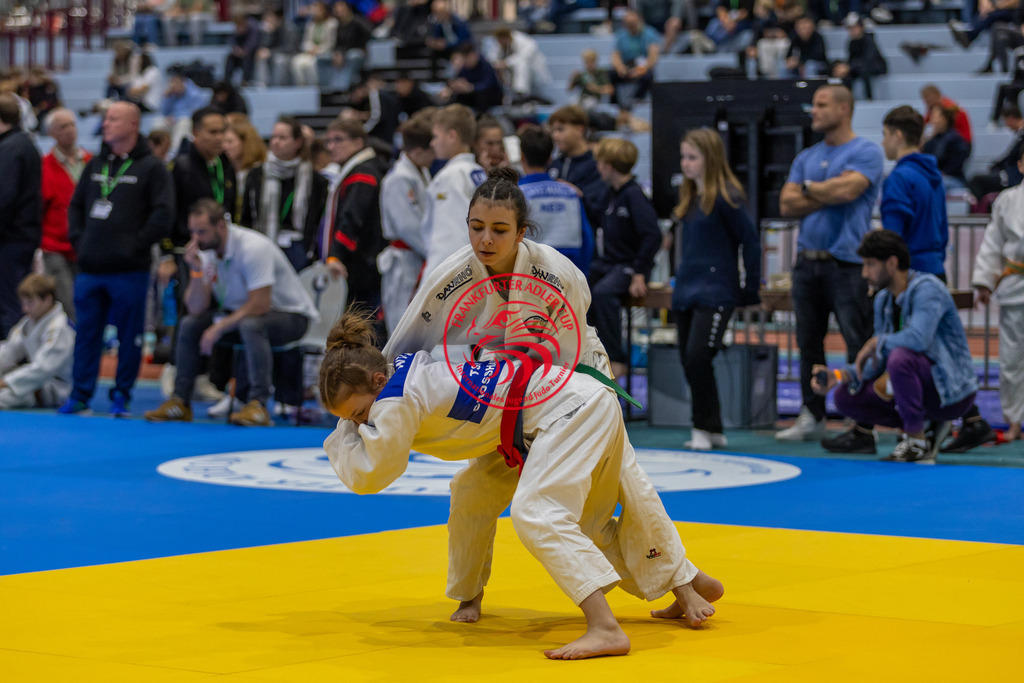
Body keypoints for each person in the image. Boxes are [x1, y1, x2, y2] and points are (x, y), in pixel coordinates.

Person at [383, 167, 714, 637]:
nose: (485, 239)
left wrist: (518, 419)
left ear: (522, 231)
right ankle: (469, 591)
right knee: (472, 491)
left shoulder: (554, 273)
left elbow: (563, 355)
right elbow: (409, 338)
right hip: (501, 403)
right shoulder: (454, 276)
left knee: (617, 484)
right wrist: (374, 392)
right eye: (476, 227)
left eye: (499, 230)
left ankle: (683, 585)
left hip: (571, 387)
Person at [320, 311, 724, 660]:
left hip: (564, 411)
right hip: (547, 413)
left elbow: (374, 473)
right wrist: (351, 418)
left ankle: (606, 627)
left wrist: (339, 438)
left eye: (357, 414)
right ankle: (682, 581)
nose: (358, 424)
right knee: (476, 493)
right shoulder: (414, 361)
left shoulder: (394, 400)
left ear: (377, 380)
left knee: (538, 512)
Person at [144, 199, 319, 426]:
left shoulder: (253, 247)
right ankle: (180, 402)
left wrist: (218, 328)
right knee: (190, 324)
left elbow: (260, 305)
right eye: (193, 232)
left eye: (202, 232)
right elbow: (197, 307)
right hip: (242, 314)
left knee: (251, 324)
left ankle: (257, 405)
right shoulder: (205, 251)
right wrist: (196, 272)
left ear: (221, 226)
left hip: (291, 317)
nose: (196, 239)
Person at [811, 230, 979, 462]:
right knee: (845, 397)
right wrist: (840, 375)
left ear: (892, 263)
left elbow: (918, 340)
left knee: (900, 359)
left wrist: (878, 342)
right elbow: (876, 361)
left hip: (951, 392)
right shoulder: (883, 300)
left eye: (870, 264)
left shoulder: (928, 289)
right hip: (922, 385)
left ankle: (916, 442)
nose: (864, 273)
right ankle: (928, 427)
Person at [777, 84, 884, 449]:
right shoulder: (807, 155)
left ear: (844, 108)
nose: (814, 111)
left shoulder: (866, 151)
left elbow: (847, 192)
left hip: (848, 265)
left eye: (822, 105)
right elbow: (786, 205)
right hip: (808, 263)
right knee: (808, 344)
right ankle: (814, 414)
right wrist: (825, 189)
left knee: (858, 343)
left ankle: (860, 418)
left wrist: (808, 190)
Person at [60, 102, 172, 416]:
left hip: (129, 270)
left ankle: (122, 395)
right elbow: (76, 207)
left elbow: (163, 214)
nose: (106, 123)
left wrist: (136, 245)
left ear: (133, 125)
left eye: (113, 118)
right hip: (91, 267)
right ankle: (80, 395)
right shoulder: (96, 163)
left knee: (130, 337)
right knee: (86, 335)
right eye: (106, 118)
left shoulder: (152, 167)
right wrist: (80, 243)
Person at [671, 129, 761, 451]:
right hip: (687, 289)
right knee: (689, 359)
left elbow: (750, 242)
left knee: (698, 357)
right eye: (684, 157)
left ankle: (702, 425)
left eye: (693, 158)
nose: (686, 164)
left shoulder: (727, 197)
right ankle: (712, 426)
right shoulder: (690, 198)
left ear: (710, 159)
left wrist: (750, 288)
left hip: (716, 290)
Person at [588, 137, 662, 379]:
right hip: (609, 264)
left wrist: (640, 271)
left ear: (608, 165)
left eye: (599, 162)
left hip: (629, 265)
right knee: (580, 287)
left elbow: (653, 235)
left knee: (603, 293)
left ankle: (617, 357)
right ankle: (587, 351)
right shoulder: (611, 194)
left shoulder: (633, 196)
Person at [972, 146, 1024, 443]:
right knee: (1012, 361)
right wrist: (983, 282)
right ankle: (1014, 421)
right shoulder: (1007, 201)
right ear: (1020, 164)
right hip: (1016, 288)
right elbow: (993, 243)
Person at [323, 118, 390, 332]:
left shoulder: (362, 173)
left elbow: (352, 218)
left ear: (358, 142)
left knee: (361, 325)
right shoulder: (361, 169)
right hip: (365, 262)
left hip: (361, 265)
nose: (331, 146)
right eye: (329, 141)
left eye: (338, 140)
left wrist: (336, 254)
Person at [241, 116, 329, 273]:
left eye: (282, 137)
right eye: (274, 136)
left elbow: (317, 221)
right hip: (264, 243)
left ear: (297, 142)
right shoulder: (256, 175)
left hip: (299, 247)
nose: (276, 141)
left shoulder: (315, 180)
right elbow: (246, 216)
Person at [377, 111, 435, 335]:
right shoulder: (400, 179)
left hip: (417, 256)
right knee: (402, 326)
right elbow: (408, 227)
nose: (435, 155)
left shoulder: (420, 171)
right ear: (419, 151)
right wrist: (436, 251)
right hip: (403, 262)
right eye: (432, 150)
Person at [880, 106, 950, 280]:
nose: (882, 142)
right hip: (936, 270)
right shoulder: (934, 176)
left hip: (909, 274)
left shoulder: (898, 178)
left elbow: (892, 237)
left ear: (897, 136)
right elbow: (943, 231)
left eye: (885, 135)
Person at [517, 125, 594, 274]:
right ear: (550, 159)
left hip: (529, 275)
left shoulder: (515, 195)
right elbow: (587, 238)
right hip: (569, 272)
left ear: (522, 157)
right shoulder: (570, 192)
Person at [421, 104, 487, 276]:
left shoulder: (451, 176)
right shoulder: (477, 172)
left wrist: (432, 282)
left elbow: (449, 239)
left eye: (435, 136)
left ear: (452, 135)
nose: (432, 143)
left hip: (454, 271)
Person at [40, 108, 92, 323]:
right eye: (63, 127)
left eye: (72, 124)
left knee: (88, 302)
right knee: (70, 306)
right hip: (56, 247)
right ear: (51, 133)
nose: (69, 130)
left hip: (88, 246)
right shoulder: (45, 167)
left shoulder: (91, 162)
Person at [0, 93, 42, 340]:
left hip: (12, 239)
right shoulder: (21, 143)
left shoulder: (11, 148)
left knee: (10, 305)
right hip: (19, 236)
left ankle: (10, 367)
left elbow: (4, 198)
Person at [0, 274, 74, 409]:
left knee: (4, 397)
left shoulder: (59, 327)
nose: (25, 309)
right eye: (23, 303)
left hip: (57, 388)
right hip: (35, 381)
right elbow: (8, 351)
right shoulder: (28, 322)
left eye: (30, 303)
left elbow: (43, 368)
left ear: (47, 299)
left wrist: (4, 382)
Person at [545, 105, 609, 230]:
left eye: (560, 129)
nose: (555, 136)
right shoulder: (555, 164)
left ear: (579, 130)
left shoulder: (596, 166)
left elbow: (598, 209)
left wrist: (575, 194)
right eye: (553, 131)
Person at [967, 105, 1024, 203]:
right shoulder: (1019, 135)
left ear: (1010, 118)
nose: (1006, 124)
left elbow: (1012, 157)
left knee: (976, 181)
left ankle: (980, 211)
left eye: (1005, 120)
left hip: (1013, 177)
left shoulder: (1021, 136)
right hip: (1009, 173)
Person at [610, 10, 660, 116]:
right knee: (611, 74)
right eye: (628, 24)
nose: (631, 26)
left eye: (633, 23)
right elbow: (615, 56)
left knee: (648, 76)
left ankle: (636, 99)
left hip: (643, 65)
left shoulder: (650, 33)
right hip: (627, 64)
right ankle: (615, 102)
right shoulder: (621, 35)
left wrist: (641, 70)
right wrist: (620, 67)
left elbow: (653, 57)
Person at [486, 27, 551, 105]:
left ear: (507, 37)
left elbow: (524, 56)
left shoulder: (524, 41)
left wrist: (506, 63)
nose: (500, 43)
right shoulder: (499, 43)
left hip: (533, 70)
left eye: (502, 41)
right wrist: (498, 65)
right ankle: (513, 96)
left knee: (521, 63)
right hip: (512, 74)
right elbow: (492, 58)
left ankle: (521, 93)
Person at [442, 42, 504, 112]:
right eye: (464, 58)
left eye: (467, 57)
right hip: (472, 96)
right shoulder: (464, 67)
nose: (466, 60)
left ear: (474, 54)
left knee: (482, 95)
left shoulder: (486, 66)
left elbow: (488, 84)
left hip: (489, 96)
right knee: (455, 98)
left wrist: (471, 87)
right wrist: (456, 86)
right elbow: (462, 80)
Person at [921, 105, 971, 189]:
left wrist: (939, 174)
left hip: (953, 179)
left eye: (934, 117)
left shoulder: (955, 139)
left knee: (933, 184)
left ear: (944, 119)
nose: (931, 120)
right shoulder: (932, 140)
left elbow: (955, 166)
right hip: (936, 176)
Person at [223, 118, 266, 214]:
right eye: (224, 142)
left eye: (230, 142)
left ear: (245, 143)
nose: (225, 147)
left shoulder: (259, 171)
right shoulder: (227, 172)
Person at [291, 1, 338, 87]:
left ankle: (314, 87)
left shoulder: (332, 23)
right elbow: (305, 41)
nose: (315, 11)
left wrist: (318, 50)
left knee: (311, 64)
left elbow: (330, 43)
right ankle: (302, 87)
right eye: (314, 9)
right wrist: (310, 49)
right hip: (310, 51)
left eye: (317, 9)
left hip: (324, 52)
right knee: (296, 61)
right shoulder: (311, 24)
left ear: (324, 10)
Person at [330, 0, 372, 92]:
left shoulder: (358, 21)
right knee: (328, 58)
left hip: (358, 52)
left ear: (348, 9)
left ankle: (345, 87)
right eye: (337, 8)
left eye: (341, 8)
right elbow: (338, 43)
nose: (338, 10)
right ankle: (332, 87)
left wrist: (364, 48)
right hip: (344, 52)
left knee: (353, 55)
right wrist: (337, 53)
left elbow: (369, 34)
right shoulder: (339, 25)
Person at [224, 11, 261, 86]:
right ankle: (227, 81)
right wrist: (236, 48)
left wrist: (245, 49)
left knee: (247, 56)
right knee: (230, 57)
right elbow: (232, 40)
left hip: (252, 52)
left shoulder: (253, 26)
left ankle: (246, 80)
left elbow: (253, 42)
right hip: (241, 52)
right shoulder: (237, 28)